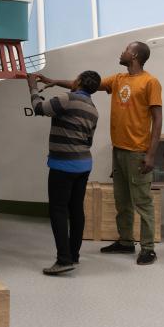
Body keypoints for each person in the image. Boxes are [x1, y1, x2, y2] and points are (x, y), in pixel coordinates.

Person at [38, 41, 162, 265]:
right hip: (119, 150)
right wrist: (54, 81)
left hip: (138, 151)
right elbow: (86, 85)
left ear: (134, 55)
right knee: (122, 200)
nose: (122, 52)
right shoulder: (118, 79)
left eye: (126, 49)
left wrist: (151, 154)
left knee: (142, 201)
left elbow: (157, 119)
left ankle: (148, 248)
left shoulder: (150, 82)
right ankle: (126, 241)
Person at [27, 69, 101, 276]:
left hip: (63, 165)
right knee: (76, 210)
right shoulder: (93, 109)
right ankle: (74, 255)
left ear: (78, 81)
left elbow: (39, 108)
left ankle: (63, 260)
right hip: (84, 165)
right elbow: (89, 140)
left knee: (58, 210)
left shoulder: (67, 99)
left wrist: (32, 87)